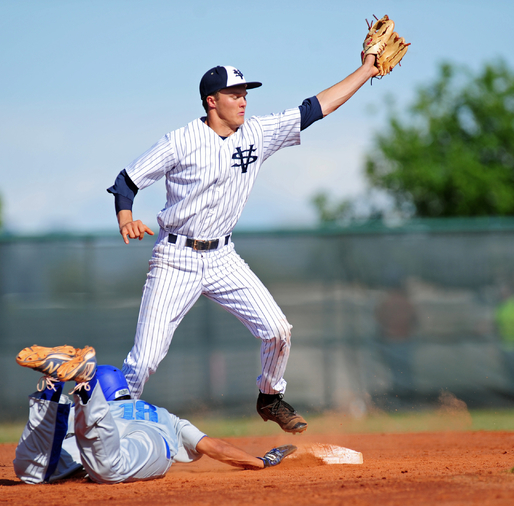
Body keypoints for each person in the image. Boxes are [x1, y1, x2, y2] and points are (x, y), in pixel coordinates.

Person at [107, 54, 381, 433]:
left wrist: (367, 69)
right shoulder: (180, 141)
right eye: (234, 93)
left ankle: (270, 398)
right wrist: (126, 218)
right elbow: (126, 181)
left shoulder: (256, 133)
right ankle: (109, 430)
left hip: (223, 257)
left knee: (278, 330)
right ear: (211, 101)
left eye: (245, 92)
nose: (243, 100)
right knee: (145, 359)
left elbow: (316, 108)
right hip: (175, 258)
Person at [13, 345, 296, 485]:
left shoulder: (83, 413)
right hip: (146, 438)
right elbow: (215, 448)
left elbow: (52, 440)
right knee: (110, 468)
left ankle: (52, 390)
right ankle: (86, 386)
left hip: (95, 425)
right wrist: (259, 462)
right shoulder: (163, 416)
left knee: (31, 470)